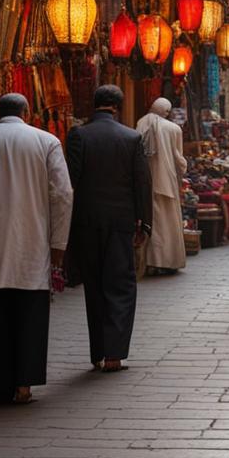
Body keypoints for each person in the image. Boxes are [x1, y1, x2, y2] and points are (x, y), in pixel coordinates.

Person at [0, 94, 72, 403]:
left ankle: (1, 386)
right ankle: (24, 385)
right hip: (30, 244)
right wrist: (59, 243)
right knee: (30, 316)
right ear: (27, 112)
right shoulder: (46, 142)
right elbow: (62, 195)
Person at [66, 85, 152, 372]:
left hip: (87, 222)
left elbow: (70, 183)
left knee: (94, 286)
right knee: (120, 285)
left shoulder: (79, 135)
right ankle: (114, 354)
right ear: (117, 106)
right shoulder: (131, 138)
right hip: (120, 222)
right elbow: (142, 184)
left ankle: (98, 352)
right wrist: (145, 223)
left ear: (96, 105)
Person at [137, 98, 188, 275]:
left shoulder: (141, 123)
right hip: (166, 181)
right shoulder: (173, 129)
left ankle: (148, 261)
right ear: (166, 112)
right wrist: (183, 171)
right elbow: (178, 159)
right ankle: (166, 261)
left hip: (146, 181)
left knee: (150, 221)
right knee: (166, 223)